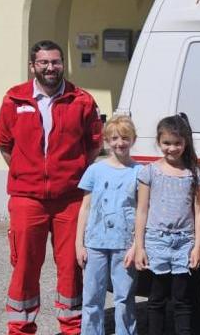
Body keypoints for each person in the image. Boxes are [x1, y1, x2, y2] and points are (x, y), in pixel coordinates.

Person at [0, 40, 103, 335]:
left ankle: (72, 328)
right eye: (43, 63)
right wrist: (26, 172)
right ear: (33, 66)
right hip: (27, 198)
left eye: (55, 62)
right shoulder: (14, 100)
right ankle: (21, 327)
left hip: (70, 199)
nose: (50, 68)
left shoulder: (81, 100)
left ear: (63, 64)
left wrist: (67, 175)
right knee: (25, 265)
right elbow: (5, 144)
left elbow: (93, 145)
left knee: (71, 266)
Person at [132, 115, 200, 335]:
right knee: (157, 297)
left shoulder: (195, 174)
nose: (172, 148)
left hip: (185, 241)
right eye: (166, 143)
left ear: (185, 143)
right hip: (156, 240)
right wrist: (140, 246)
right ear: (158, 142)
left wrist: (198, 246)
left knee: (182, 298)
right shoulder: (150, 172)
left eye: (177, 143)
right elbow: (142, 210)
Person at [74, 115, 141, 335]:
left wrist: (137, 245)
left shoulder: (139, 172)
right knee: (92, 297)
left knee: (124, 298)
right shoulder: (95, 170)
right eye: (114, 138)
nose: (119, 143)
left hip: (125, 245)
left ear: (133, 139)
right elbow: (85, 208)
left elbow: (142, 211)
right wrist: (79, 244)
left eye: (124, 137)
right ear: (106, 141)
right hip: (95, 244)